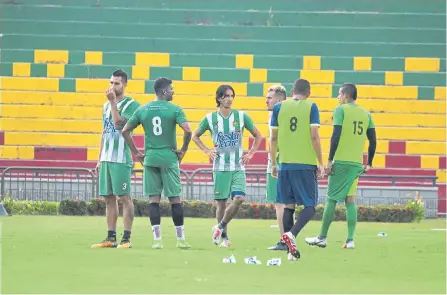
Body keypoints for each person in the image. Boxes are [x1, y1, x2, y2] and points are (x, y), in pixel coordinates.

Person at [122, 77, 192, 249]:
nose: (173, 91)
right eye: (172, 89)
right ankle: (180, 239)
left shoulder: (143, 109)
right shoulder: (175, 109)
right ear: (164, 91)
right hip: (169, 159)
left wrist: (137, 152)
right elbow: (188, 130)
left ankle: (157, 241)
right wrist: (183, 149)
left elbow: (125, 131)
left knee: (154, 201)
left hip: (150, 159)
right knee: (175, 200)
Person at [305, 83, 377, 249]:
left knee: (331, 198)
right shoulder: (366, 113)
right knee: (350, 199)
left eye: (339, 94)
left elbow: (336, 134)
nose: (337, 97)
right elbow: (373, 140)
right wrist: (370, 162)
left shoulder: (340, 110)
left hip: (342, 161)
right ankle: (350, 240)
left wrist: (329, 160)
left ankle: (322, 237)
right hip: (356, 163)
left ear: (345, 95)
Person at [192, 84, 262, 247]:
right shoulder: (210, 118)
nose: (229, 99)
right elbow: (195, 136)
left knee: (239, 198)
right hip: (220, 167)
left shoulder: (241, 116)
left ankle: (219, 227)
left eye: (232, 96)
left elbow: (258, 135)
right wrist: (207, 150)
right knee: (221, 203)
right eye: (226, 96)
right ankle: (224, 238)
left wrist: (250, 153)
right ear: (219, 98)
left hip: (238, 167)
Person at [270, 78, 324, 260]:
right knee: (310, 207)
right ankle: (291, 234)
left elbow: (273, 139)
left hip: (285, 164)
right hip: (305, 164)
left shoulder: (278, 108)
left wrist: (273, 163)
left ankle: (289, 252)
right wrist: (321, 162)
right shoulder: (312, 107)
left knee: (289, 206)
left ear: (292, 91)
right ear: (308, 93)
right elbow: (315, 136)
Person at [91, 69, 141, 249]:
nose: (112, 86)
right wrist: (99, 158)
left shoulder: (133, 105)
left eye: (116, 83)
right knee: (109, 199)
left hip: (121, 157)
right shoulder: (105, 106)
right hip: (107, 157)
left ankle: (126, 239)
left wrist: (112, 103)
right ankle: (110, 238)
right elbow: (104, 132)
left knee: (125, 198)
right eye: (111, 82)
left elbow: (120, 125)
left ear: (125, 84)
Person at [265, 85, 288, 251]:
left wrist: (273, 162)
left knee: (279, 203)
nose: (266, 100)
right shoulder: (291, 113)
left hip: (278, 159)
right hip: (291, 159)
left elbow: (274, 140)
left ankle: (284, 240)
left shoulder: (276, 114)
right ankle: (289, 237)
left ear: (279, 99)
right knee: (288, 204)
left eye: (270, 97)